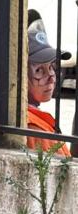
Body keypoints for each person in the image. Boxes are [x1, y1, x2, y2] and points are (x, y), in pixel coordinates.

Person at [26, 21, 72, 157]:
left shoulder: (36, 117)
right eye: (39, 70)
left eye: (52, 67)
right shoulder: (32, 127)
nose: (51, 77)